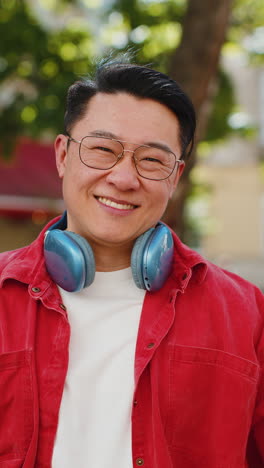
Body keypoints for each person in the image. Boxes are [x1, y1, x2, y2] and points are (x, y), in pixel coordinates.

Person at [0, 57, 263, 468]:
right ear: (63, 156)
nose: (123, 178)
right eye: (103, 149)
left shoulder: (246, 314)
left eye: (153, 160)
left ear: (175, 178)